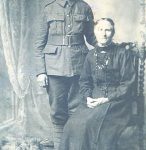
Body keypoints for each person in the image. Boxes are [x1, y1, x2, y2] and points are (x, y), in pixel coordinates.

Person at [59, 18, 136, 150]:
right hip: (94, 99)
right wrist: (88, 97)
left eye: (108, 30)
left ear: (113, 32)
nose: (104, 34)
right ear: (95, 32)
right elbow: (84, 81)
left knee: (91, 125)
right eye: (100, 30)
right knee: (72, 125)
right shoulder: (90, 55)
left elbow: (127, 84)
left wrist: (106, 99)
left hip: (117, 102)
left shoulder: (123, 53)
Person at [35, 0, 97, 149]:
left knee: (78, 110)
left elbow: (92, 37)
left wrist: (112, 46)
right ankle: (59, 146)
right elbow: (38, 45)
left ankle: (74, 146)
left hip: (79, 65)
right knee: (57, 110)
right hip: (53, 67)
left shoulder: (84, 7)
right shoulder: (48, 8)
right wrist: (41, 72)